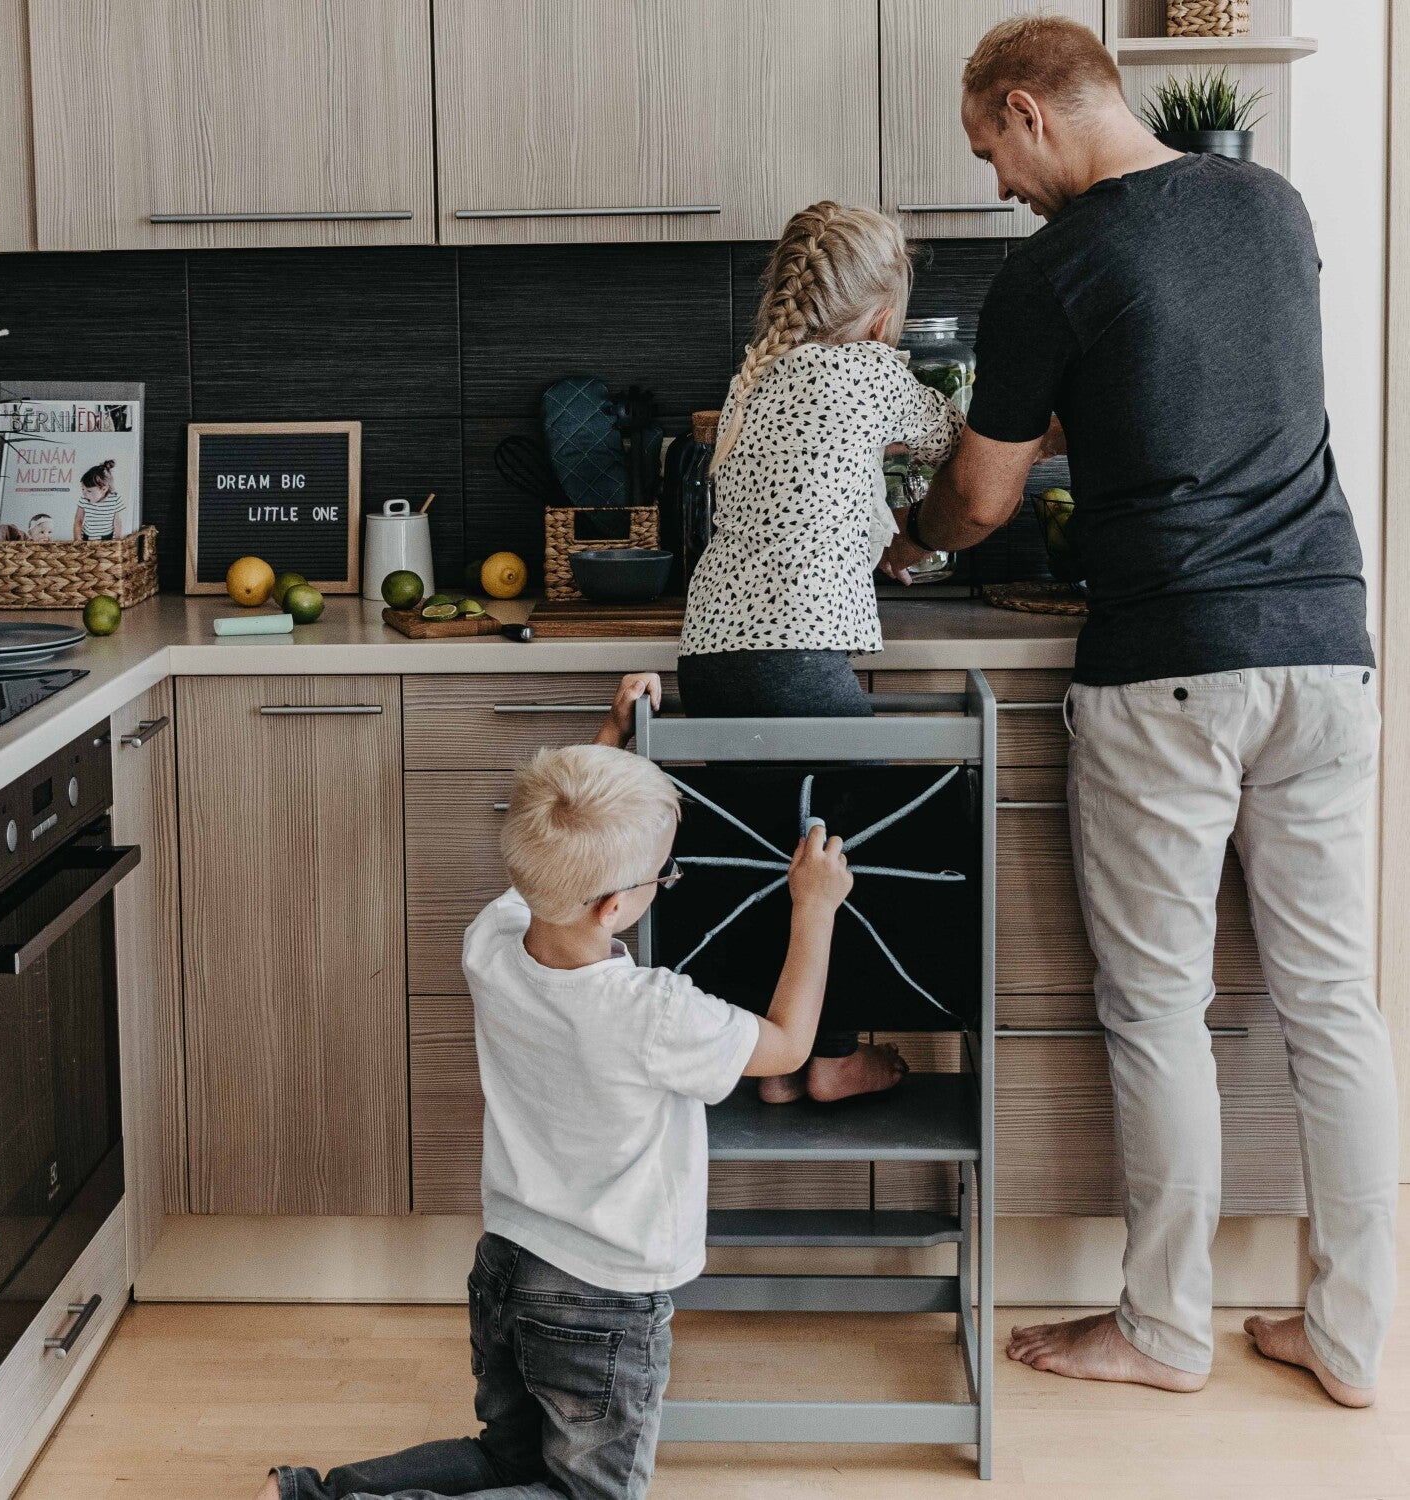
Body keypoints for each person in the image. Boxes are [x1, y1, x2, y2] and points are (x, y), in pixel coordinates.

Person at [885, 14, 1395, 1408]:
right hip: (1329, 647)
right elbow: (1201, 388)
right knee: (1335, 1006)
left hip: (1171, 662)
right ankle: (1351, 1339)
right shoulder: (1271, 205)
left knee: (1162, 1007)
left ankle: (1166, 1329)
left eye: (991, 146)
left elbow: (983, 497)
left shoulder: (1055, 268)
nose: (996, 181)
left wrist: (911, 540)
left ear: (1032, 108)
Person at [259, 673, 853, 1500]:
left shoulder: (492, 940)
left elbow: (546, 853)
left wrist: (607, 734)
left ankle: (308, 1495)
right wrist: (814, 908)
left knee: (508, 1459)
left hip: (506, 1263)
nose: (662, 883)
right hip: (601, 1297)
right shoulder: (650, 1012)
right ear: (616, 908)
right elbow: (788, 1046)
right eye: (662, 875)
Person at [677, 200, 968, 1105]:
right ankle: (834, 1052)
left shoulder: (752, 378)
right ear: (884, 317)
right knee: (858, 854)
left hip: (713, 657)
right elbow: (966, 447)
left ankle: (771, 1060)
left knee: (767, 856)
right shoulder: (868, 370)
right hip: (796, 660)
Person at [73, 458, 126, 540]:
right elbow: (78, 520)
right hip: (87, 537)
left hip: (107, 537)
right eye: (83, 489)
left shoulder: (114, 499)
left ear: (104, 489)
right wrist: (77, 540)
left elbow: (117, 522)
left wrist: (119, 540)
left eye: (89, 491)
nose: (84, 493)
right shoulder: (84, 499)